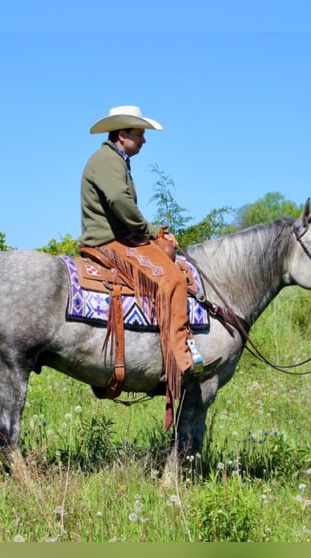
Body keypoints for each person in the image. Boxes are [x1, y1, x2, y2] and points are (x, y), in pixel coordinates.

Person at [78, 105, 215, 401]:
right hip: (109, 242)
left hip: (119, 238)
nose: (144, 140)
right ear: (122, 134)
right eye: (139, 134)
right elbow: (119, 202)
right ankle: (182, 357)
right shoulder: (107, 160)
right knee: (174, 280)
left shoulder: (115, 159)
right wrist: (152, 232)